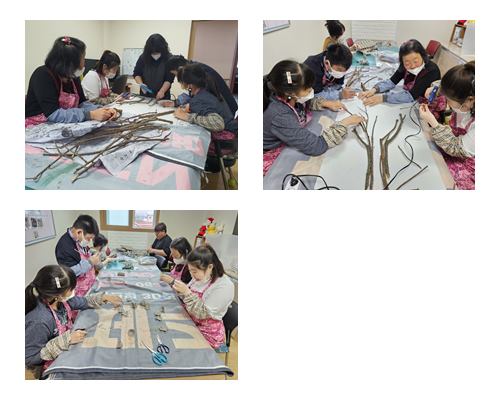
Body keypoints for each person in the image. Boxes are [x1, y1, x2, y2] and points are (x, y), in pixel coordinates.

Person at [263, 60, 364, 175]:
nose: (312, 91)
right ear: (291, 93)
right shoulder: (280, 115)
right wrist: (344, 124)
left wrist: (325, 103)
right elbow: (316, 146)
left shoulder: (286, 94)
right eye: (308, 90)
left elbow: (303, 102)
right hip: (272, 153)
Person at [25, 264, 122, 378]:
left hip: (69, 346)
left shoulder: (62, 301)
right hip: (53, 363)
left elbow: (84, 301)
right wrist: (66, 340)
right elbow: (30, 358)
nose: (74, 291)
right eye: (71, 289)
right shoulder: (40, 321)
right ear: (58, 295)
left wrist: (104, 298)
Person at [25, 36, 119, 127]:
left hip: (61, 123)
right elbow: (54, 114)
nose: (84, 62)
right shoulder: (43, 75)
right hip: (36, 126)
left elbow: (82, 103)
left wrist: (103, 110)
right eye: (83, 58)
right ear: (70, 62)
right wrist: (90, 114)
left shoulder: (72, 76)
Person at [419, 61, 475, 190]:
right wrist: (436, 89)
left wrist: (434, 124)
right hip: (457, 142)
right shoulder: (467, 89)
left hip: (465, 158)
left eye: (449, 100)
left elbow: (457, 149)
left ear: (470, 99)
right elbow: (442, 84)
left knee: (439, 177)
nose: (447, 102)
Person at [169, 245, 234, 349]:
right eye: (190, 271)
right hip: (191, 321)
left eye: (194, 271)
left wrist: (187, 292)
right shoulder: (201, 277)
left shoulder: (224, 285)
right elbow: (188, 295)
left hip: (208, 332)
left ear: (210, 267)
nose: (192, 275)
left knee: (176, 347)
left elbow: (202, 313)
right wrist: (180, 290)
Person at [359, 39, 441, 106]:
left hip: (426, 104)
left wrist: (383, 98)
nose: (412, 66)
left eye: (415, 61)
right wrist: (375, 89)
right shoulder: (404, 66)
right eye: (407, 63)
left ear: (423, 56)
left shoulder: (431, 71)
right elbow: (392, 81)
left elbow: (411, 96)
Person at [161, 63, 237, 134]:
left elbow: (218, 123)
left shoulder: (199, 99)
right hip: (233, 126)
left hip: (229, 133)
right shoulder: (206, 90)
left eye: (182, 83)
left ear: (190, 85)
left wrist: (186, 116)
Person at [165, 55, 238, 116]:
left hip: (225, 111)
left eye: (175, 74)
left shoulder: (198, 72)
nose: (177, 77)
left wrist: (188, 109)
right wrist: (177, 102)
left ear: (180, 68)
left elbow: (201, 99)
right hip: (220, 111)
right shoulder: (193, 69)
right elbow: (193, 95)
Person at [55, 214, 101, 297]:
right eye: (89, 238)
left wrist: (91, 253)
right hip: (78, 291)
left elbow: (82, 254)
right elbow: (68, 272)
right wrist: (90, 262)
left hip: (88, 286)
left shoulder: (78, 239)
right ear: (79, 232)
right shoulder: (64, 247)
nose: (89, 241)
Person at [133, 33, 174, 100]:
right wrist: (141, 84)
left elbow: (169, 79)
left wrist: (162, 91)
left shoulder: (169, 59)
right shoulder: (143, 57)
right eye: (153, 52)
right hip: (145, 95)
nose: (155, 54)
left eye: (157, 52)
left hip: (163, 96)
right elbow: (136, 73)